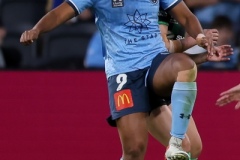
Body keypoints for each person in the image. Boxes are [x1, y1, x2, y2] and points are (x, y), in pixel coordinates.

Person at [20, 0, 217, 160]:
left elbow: (186, 15)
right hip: (124, 72)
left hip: (156, 61)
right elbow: (59, 13)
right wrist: (37, 29)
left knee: (185, 66)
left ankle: (175, 142)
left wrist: (199, 35)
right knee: (134, 150)